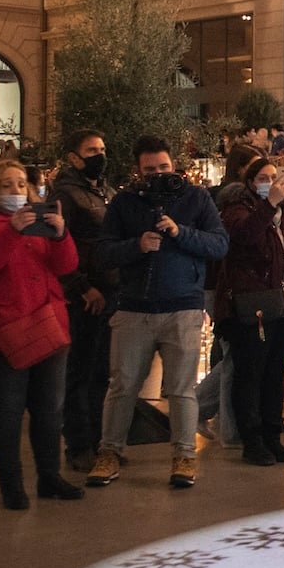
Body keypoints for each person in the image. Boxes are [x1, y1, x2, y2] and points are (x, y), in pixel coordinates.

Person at [88, 137, 228, 491]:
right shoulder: (124, 204)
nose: (158, 175)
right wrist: (136, 246)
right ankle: (110, 452)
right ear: (138, 171)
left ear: (174, 165)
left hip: (182, 307)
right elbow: (102, 253)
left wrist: (181, 232)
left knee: (182, 390)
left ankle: (184, 456)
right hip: (133, 309)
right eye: (150, 170)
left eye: (163, 168)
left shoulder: (196, 198)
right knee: (122, 387)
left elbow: (218, 244)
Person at [0, 160, 85, 509]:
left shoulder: (38, 222)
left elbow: (66, 266)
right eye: (7, 185)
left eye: (21, 184)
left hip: (47, 327)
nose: (16, 191)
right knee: (7, 412)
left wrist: (60, 235)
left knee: (48, 411)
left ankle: (49, 476)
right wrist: (10, 232)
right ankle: (11, 485)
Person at [215, 158, 284, 465]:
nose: (270, 181)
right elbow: (244, 239)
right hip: (254, 308)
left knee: (274, 376)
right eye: (262, 177)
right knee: (250, 375)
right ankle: (251, 440)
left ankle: (272, 436)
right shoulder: (237, 210)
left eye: (274, 176)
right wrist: (268, 204)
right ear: (250, 182)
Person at [50, 129, 117, 472]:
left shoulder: (104, 191)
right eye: (92, 150)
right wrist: (81, 287)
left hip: (107, 293)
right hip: (82, 297)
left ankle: (96, 440)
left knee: (100, 373)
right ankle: (77, 443)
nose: (99, 154)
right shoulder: (65, 193)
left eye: (102, 149)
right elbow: (59, 245)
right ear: (74, 157)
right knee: (79, 372)